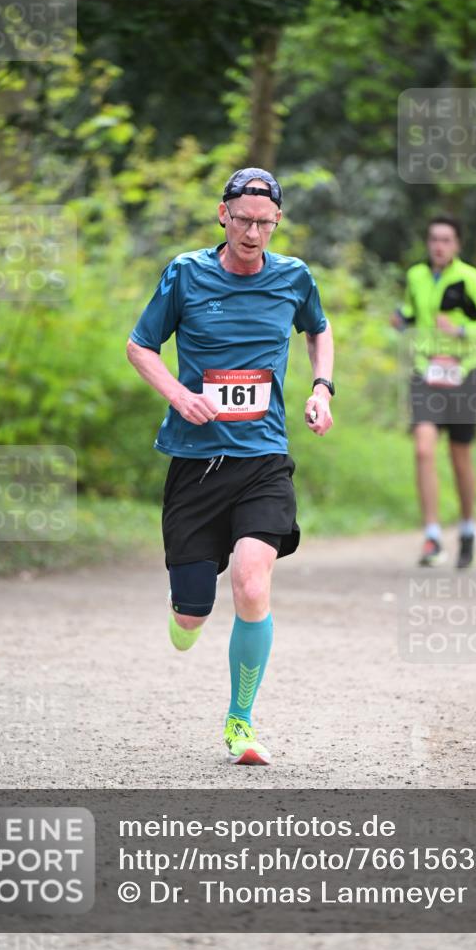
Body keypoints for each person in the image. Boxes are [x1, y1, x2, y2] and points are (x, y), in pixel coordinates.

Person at [126, 167, 334, 765]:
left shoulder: (294, 277)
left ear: (277, 223)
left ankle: (240, 721)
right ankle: (186, 614)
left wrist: (321, 387)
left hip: (263, 459)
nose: (252, 232)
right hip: (196, 462)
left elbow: (319, 331)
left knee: (251, 580)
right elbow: (141, 345)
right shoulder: (185, 274)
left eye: (264, 223)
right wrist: (178, 395)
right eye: (243, 219)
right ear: (223, 215)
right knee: (191, 614)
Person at [391, 216, 476, 568]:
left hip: (462, 374)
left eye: (446, 240)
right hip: (426, 372)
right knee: (424, 449)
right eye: (434, 239)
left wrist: (459, 330)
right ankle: (433, 536)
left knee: (459, 457)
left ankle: (468, 527)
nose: (439, 246)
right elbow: (412, 312)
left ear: (457, 245)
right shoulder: (416, 277)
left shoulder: (470, 279)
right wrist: (401, 318)